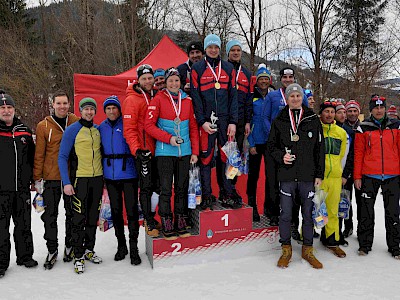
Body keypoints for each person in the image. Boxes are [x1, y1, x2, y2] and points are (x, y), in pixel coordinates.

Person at [267, 83, 324, 269]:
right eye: (292, 96)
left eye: (298, 96)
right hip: (287, 175)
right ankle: (286, 248)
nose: (295, 99)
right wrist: (281, 157)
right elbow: (271, 147)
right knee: (286, 214)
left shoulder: (313, 119)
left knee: (308, 214)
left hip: (308, 175)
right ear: (287, 98)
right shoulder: (279, 119)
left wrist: (319, 174)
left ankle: (308, 249)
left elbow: (319, 149)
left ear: (302, 98)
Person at [145, 68, 199, 239]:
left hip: (184, 152)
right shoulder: (158, 99)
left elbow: (192, 127)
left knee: (182, 188)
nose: (174, 84)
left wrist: (195, 152)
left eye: (176, 80)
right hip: (165, 151)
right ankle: (167, 220)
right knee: (166, 189)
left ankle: (180, 220)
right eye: (171, 81)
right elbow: (149, 125)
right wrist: (168, 139)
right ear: (165, 83)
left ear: (180, 82)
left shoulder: (188, 101)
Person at [191, 33, 238, 210]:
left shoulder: (228, 68)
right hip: (207, 121)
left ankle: (228, 192)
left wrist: (233, 121)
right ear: (205, 49)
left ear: (219, 49)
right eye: (210, 47)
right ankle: (206, 194)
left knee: (228, 157)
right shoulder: (197, 69)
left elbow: (233, 97)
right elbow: (196, 97)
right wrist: (202, 121)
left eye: (216, 47)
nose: (213, 50)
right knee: (206, 157)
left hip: (226, 120)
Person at [33, 90, 79, 269]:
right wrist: (37, 178)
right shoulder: (43, 125)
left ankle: (70, 246)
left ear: (69, 104)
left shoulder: (75, 121)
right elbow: (39, 154)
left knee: (72, 214)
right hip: (51, 178)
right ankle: (52, 249)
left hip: (70, 177)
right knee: (50, 216)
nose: (62, 107)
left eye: (65, 103)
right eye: (58, 103)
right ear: (53, 105)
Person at [58, 97, 103, 274]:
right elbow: (62, 157)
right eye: (86, 109)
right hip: (79, 180)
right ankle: (78, 255)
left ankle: (89, 249)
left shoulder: (98, 130)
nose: (89, 112)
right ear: (80, 111)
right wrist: (67, 182)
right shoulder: (72, 130)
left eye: (92, 109)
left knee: (93, 217)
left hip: (97, 179)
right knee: (78, 219)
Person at [354, 95, 400, 259]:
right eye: (375, 107)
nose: (379, 110)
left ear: (385, 108)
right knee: (366, 211)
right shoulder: (363, 127)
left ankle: (395, 246)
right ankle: (365, 244)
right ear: (371, 109)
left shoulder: (396, 125)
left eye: (381, 107)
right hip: (369, 174)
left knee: (393, 212)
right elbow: (358, 154)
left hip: (392, 174)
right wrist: (357, 176)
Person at [261, 67, 308, 226]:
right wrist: (273, 136)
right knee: (272, 180)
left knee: (292, 181)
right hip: (275, 146)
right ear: (280, 79)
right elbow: (265, 117)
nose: (288, 79)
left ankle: (293, 218)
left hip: (294, 145)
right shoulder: (272, 95)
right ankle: (273, 213)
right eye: (285, 77)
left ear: (294, 78)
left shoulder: (299, 95)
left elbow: (307, 115)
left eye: (290, 77)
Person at [98, 96, 141, 265]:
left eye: (114, 108)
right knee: (116, 213)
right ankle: (121, 246)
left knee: (132, 212)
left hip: (129, 174)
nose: (111, 111)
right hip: (110, 176)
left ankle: (134, 248)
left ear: (119, 109)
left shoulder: (127, 124)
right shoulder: (101, 127)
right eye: (108, 108)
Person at [0, 92, 37, 278]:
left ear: (14, 109)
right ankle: (1, 263)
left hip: (22, 188)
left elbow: (32, 158)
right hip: (2, 190)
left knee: (24, 224)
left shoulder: (24, 130)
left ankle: (25, 256)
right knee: (1, 228)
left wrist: (34, 179)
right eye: (3, 108)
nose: (6, 111)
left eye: (9, 108)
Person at [123, 64, 160, 237]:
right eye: (144, 78)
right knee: (145, 187)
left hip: (158, 150)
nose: (147, 81)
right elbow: (129, 129)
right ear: (138, 80)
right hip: (143, 151)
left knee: (158, 186)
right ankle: (148, 219)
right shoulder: (132, 99)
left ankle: (151, 216)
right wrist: (137, 150)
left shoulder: (156, 95)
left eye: (149, 78)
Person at [219, 39, 252, 203]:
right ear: (228, 53)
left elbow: (248, 100)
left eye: (238, 50)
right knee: (225, 156)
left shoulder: (246, 73)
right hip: (225, 121)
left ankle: (231, 187)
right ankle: (224, 190)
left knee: (236, 157)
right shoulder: (222, 69)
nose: (236, 53)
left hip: (240, 122)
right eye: (233, 50)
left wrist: (247, 121)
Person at [319, 99, 347, 258]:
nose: (329, 115)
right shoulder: (316, 130)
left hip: (335, 178)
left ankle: (332, 241)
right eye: (326, 111)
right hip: (319, 178)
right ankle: (307, 238)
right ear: (321, 113)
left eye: (332, 112)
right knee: (314, 209)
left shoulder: (341, 132)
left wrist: (339, 172)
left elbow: (342, 154)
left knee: (332, 211)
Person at [246, 64, 274, 221]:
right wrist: (251, 143)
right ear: (256, 81)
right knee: (253, 175)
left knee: (270, 176)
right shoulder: (251, 96)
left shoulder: (273, 96)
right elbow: (248, 121)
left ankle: (269, 208)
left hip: (270, 142)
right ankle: (252, 208)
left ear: (269, 81)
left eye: (266, 79)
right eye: (261, 79)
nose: (263, 82)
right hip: (256, 142)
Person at [334, 102, 354, 247]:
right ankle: (328, 231)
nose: (342, 115)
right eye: (339, 112)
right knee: (328, 203)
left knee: (344, 203)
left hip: (345, 175)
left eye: (344, 112)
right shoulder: (328, 129)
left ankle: (344, 229)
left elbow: (352, 155)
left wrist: (346, 174)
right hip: (331, 174)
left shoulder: (349, 131)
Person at [343, 99, 362, 238]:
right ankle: (348, 226)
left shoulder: (364, 127)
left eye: (355, 111)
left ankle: (362, 228)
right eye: (349, 111)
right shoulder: (342, 128)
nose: (352, 113)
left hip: (361, 171)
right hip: (346, 171)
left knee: (362, 202)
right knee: (345, 200)